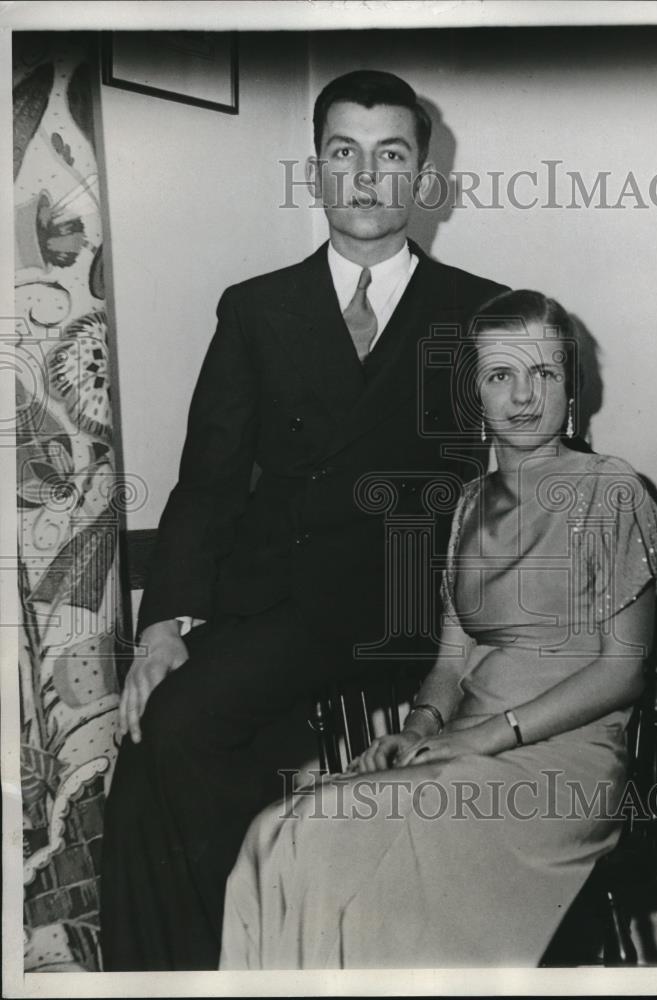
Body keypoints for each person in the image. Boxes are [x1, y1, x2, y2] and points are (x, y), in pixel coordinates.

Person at [99, 70, 507, 971]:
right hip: (268, 604)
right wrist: (163, 623)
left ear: (423, 181)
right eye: (343, 154)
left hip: (399, 610)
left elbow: (509, 490)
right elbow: (205, 482)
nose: (365, 177)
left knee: (180, 733)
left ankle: (260, 956)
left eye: (390, 156)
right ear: (316, 172)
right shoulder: (254, 308)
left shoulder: (480, 311)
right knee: (147, 757)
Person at [219, 289, 657, 969]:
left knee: (325, 832)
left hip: (561, 764)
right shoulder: (467, 506)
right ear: (476, 396)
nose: (523, 396)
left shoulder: (614, 491)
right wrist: (418, 728)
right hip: (465, 748)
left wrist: (488, 736)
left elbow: (623, 669)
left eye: (543, 373)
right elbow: (452, 661)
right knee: (275, 830)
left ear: (571, 387)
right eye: (500, 375)